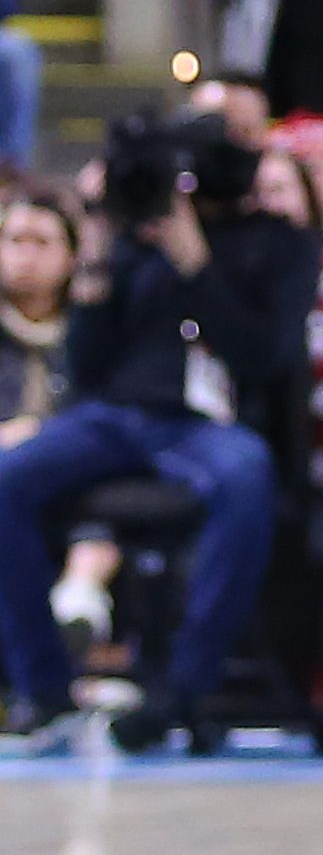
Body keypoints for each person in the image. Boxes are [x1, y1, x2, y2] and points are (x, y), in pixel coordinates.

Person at [0, 121, 305, 748]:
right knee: (7, 481)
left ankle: (183, 690)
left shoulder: (270, 245)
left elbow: (261, 358)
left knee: (247, 476)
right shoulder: (124, 242)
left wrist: (195, 262)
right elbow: (84, 367)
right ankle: (44, 688)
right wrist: (92, 267)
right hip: (111, 418)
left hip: (201, 425)